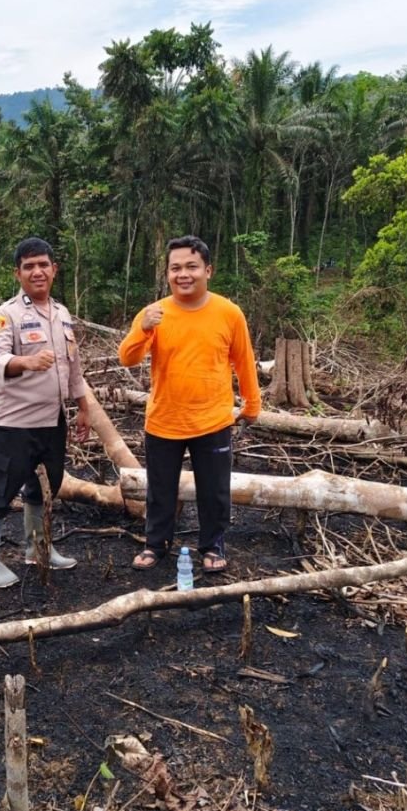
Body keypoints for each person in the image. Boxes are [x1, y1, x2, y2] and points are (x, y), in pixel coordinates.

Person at [118, 235, 260, 573]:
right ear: (167, 273)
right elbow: (127, 358)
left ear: (208, 270)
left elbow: (244, 361)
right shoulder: (155, 313)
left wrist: (252, 404)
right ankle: (156, 544)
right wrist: (142, 329)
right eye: (175, 268)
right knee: (160, 490)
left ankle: (212, 546)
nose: (183, 274)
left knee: (214, 490)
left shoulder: (229, 313)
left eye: (191, 267)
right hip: (164, 419)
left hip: (213, 419)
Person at [0, 237, 91, 587]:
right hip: (14, 423)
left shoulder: (62, 314)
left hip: (53, 422)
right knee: (0, 489)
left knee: (45, 487)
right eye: (29, 266)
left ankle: (37, 549)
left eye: (43, 265)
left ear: (54, 269)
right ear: (18, 273)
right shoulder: (7, 314)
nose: (37, 272)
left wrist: (83, 407)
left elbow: (74, 368)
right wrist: (26, 361)